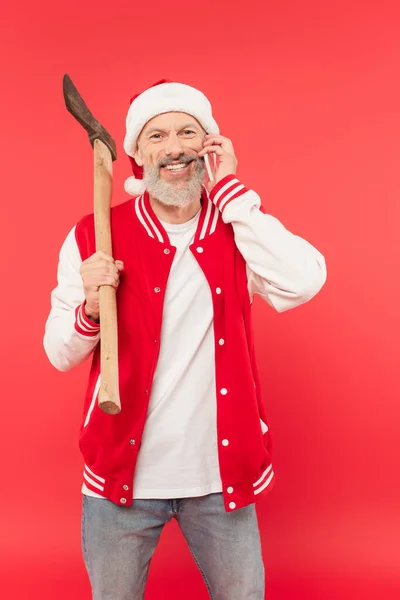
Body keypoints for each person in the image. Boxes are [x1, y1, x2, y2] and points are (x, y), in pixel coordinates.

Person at [44, 79, 327, 600]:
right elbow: (59, 352)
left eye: (186, 133)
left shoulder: (239, 229)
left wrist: (233, 195)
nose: (173, 147)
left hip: (220, 481)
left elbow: (304, 281)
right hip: (120, 482)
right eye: (156, 136)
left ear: (208, 146)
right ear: (136, 153)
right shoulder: (93, 234)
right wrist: (89, 308)